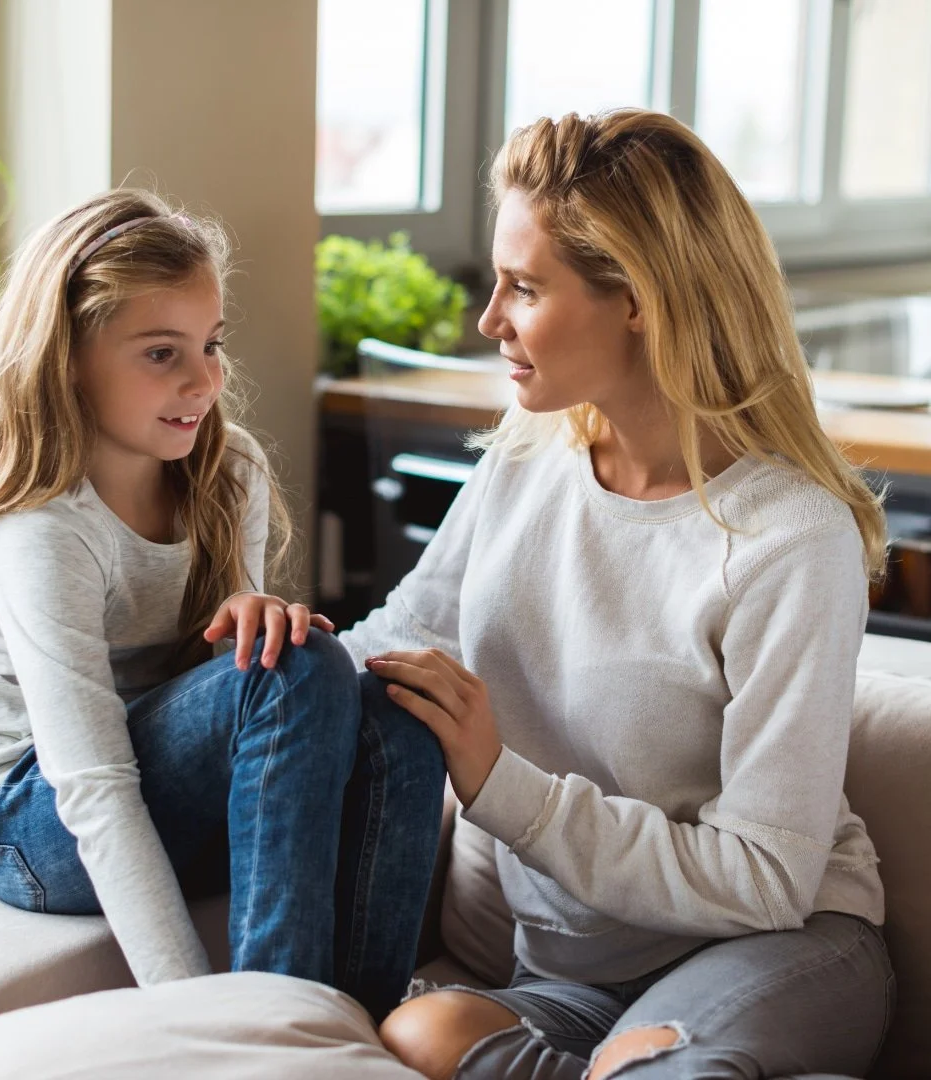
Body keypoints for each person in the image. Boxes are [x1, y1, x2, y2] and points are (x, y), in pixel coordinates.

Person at [339, 109, 895, 1078]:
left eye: (523, 287)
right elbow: (401, 639)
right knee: (419, 1033)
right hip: (571, 972)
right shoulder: (525, 456)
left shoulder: (789, 539)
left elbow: (767, 879)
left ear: (636, 296)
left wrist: (501, 784)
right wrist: (278, 654)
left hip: (768, 948)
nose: (490, 321)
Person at [0, 189, 444, 1022]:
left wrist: (262, 626)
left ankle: (349, 1032)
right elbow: (95, 783)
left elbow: (244, 707)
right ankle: (262, 1039)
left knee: (395, 717)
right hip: (29, 820)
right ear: (68, 357)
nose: (204, 380)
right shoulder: (42, 527)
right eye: (160, 353)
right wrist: (188, 1019)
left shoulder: (231, 470)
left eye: (211, 345)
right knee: (294, 668)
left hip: (161, 782)